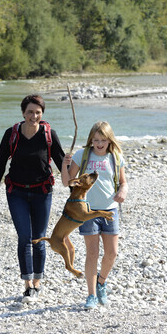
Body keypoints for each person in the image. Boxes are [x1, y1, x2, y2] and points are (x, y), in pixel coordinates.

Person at [0, 94, 70, 303]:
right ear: (23, 113)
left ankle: (37, 282)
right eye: (29, 112)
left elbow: (63, 167)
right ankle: (27, 286)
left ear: (42, 114)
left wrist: (73, 178)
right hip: (16, 192)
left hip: (42, 193)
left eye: (37, 112)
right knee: (25, 237)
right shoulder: (12, 134)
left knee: (39, 238)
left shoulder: (48, 134)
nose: (33, 116)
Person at [62, 121, 128, 310]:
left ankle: (102, 282)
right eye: (96, 140)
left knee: (112, 253)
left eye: (103, 140)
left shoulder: (115, 156)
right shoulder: (82, 155)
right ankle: (91, 295)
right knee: (92, 253)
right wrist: (64, 166)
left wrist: (123, 192)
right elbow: (67, 183)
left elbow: (123, 182)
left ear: (109, 140)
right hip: (87, 211)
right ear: (91, 139)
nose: (99, 143)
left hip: (110, 210)